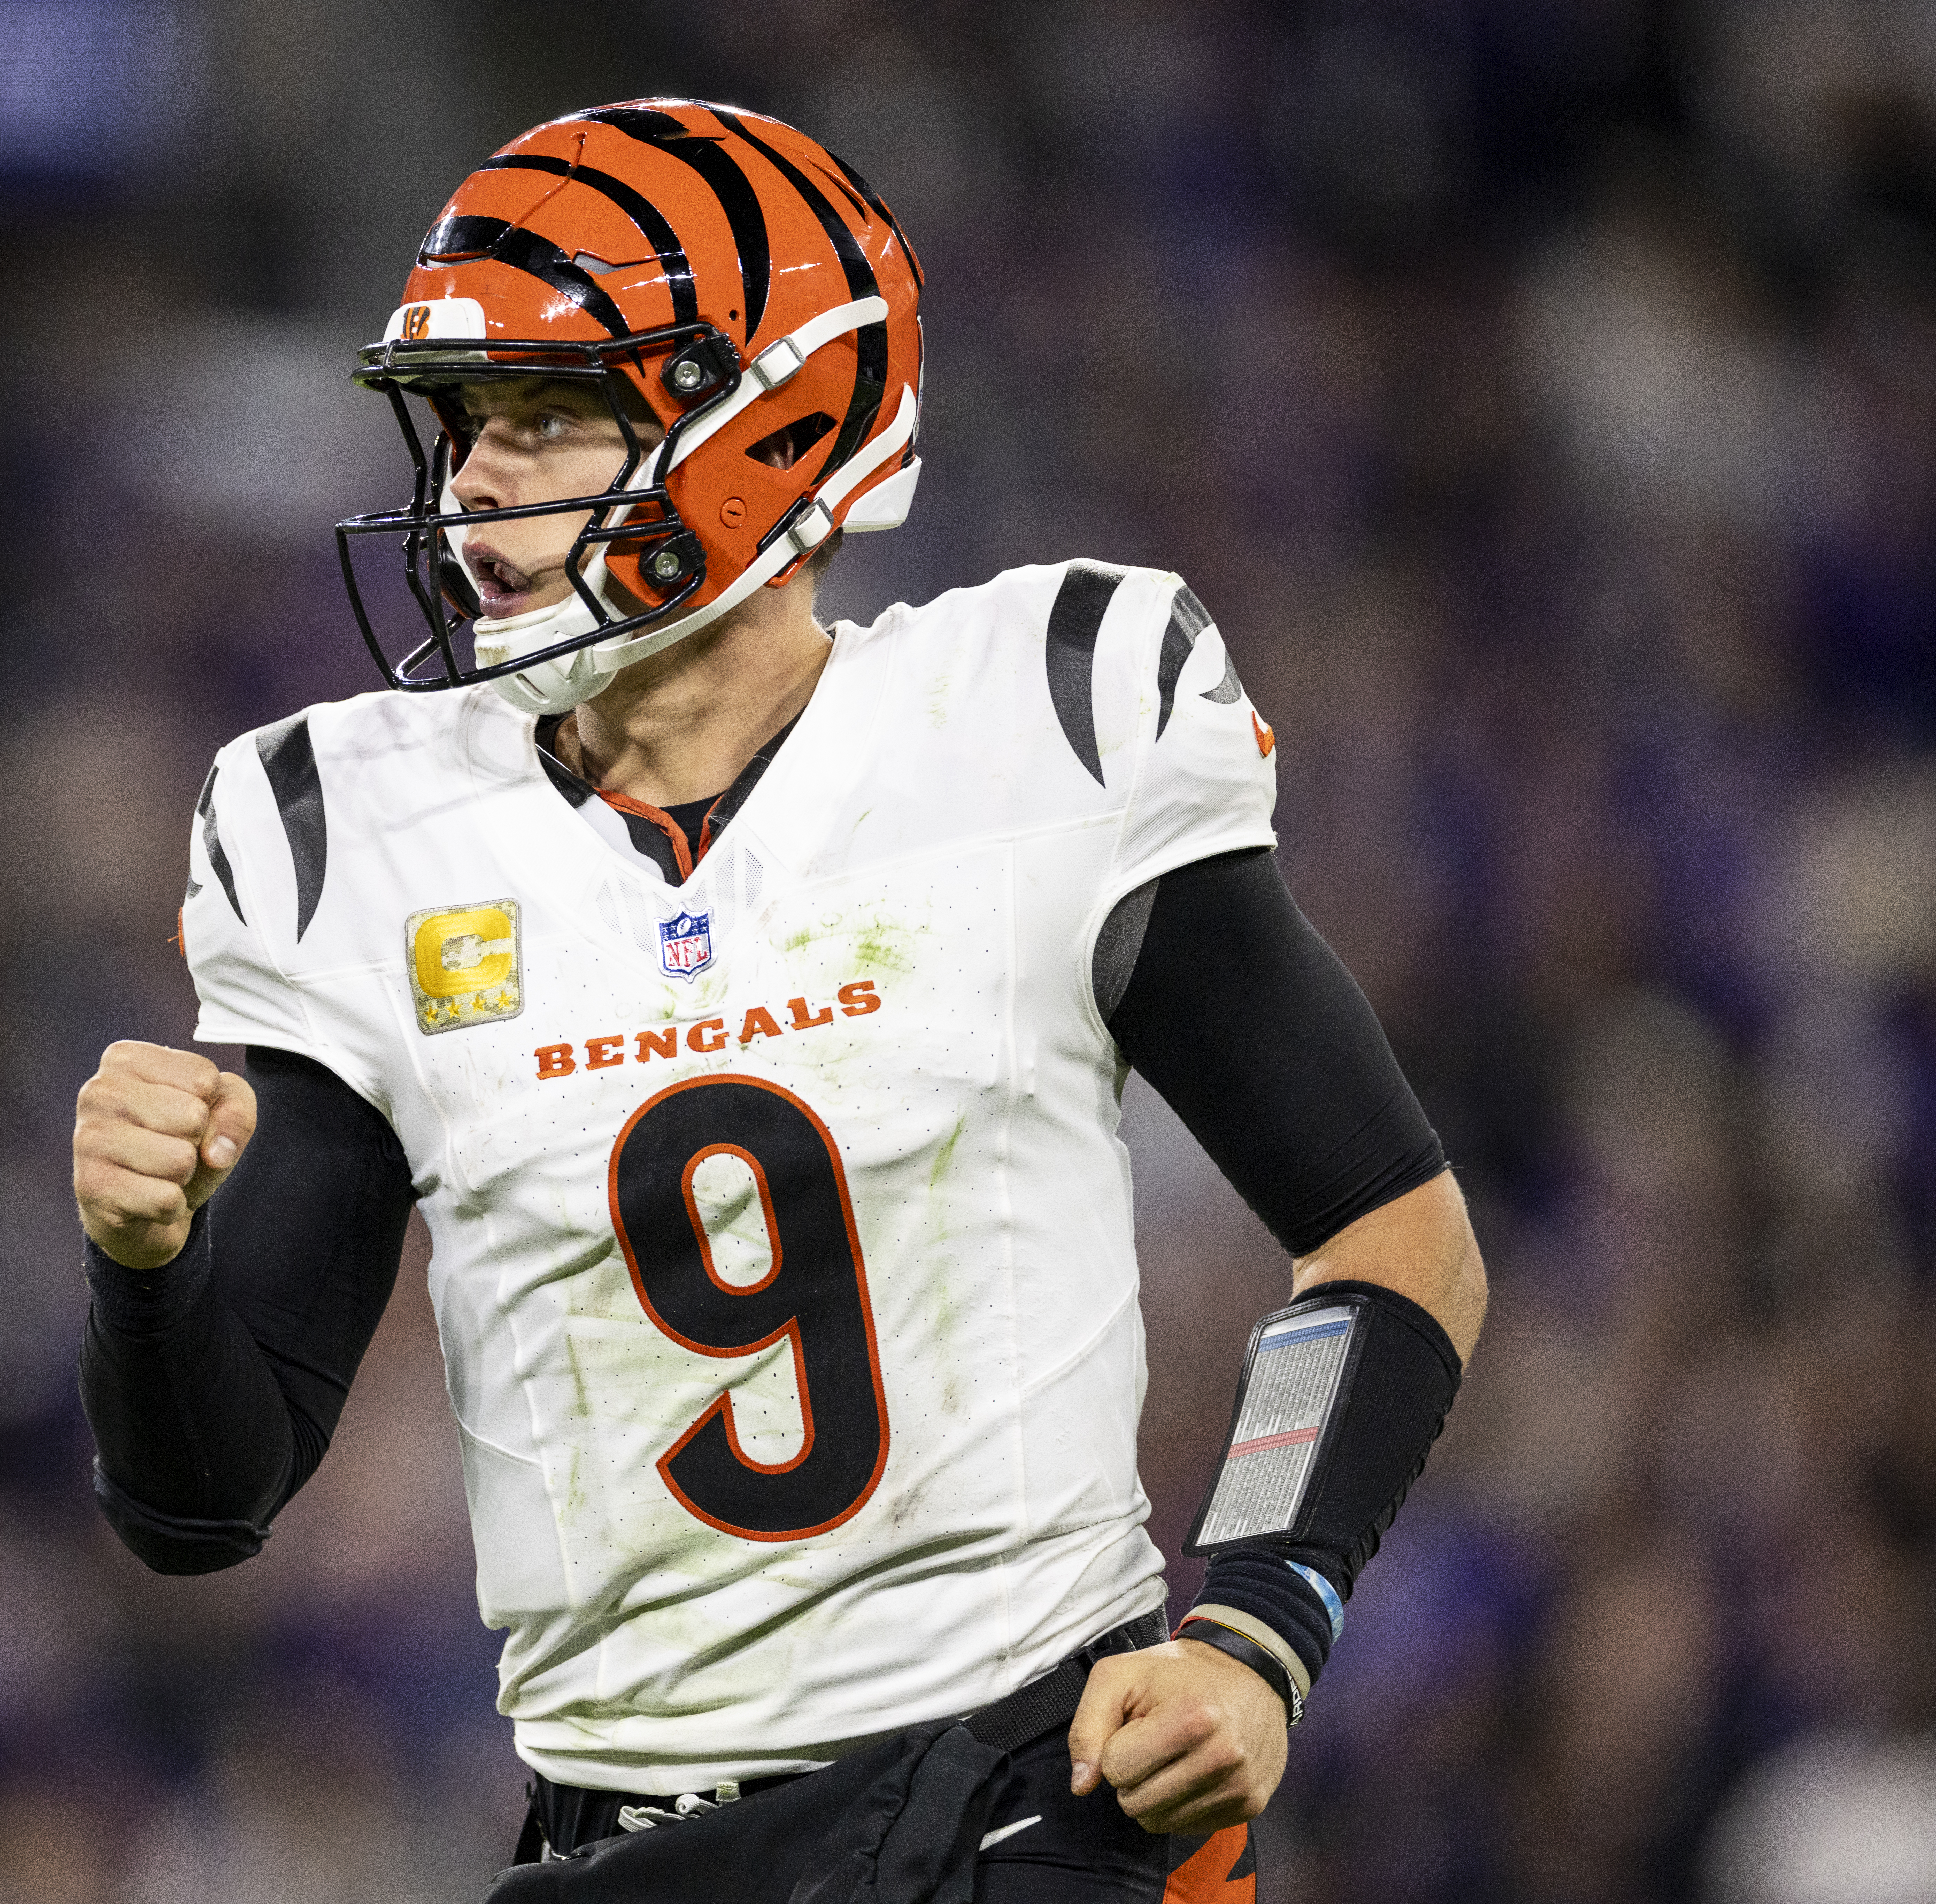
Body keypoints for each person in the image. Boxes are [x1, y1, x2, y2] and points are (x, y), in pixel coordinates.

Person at [72, 98, 1486, 1902]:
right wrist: (145, 1258)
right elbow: (205, 1498)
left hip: (1032, 1797)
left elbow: (1387, 1232)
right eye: (467, 427)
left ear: (777, 414)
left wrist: (1259, 1624)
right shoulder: (358, 831)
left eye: (549, 415)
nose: (474, 485)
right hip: (631, 1844)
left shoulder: (1041, 720)